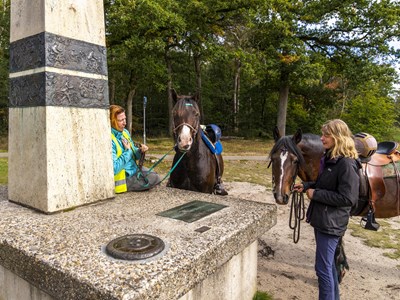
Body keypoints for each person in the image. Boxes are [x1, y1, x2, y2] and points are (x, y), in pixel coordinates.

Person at [293, 119, 360, 300]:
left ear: (337, 137)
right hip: (324, 220)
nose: (321, 138)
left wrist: (316, 194)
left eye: (326, 135)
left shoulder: (346, 164)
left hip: (331, 224)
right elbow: (327, 185)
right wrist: (307, 186)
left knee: (322, 270)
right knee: (328, 267)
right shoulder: (332, 159)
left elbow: (348, 198)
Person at [110, 104, 160, 193]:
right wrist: (128, 151)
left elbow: (134, 155)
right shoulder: (109, 139)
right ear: (112, 121)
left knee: (155, 176)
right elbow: (114, 169)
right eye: (121, 120)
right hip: (124, 179)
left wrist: (140, 151)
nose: (125, 122)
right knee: (154, 178)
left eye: (125, 119)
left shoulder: (125, 132)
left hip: (134, 170)